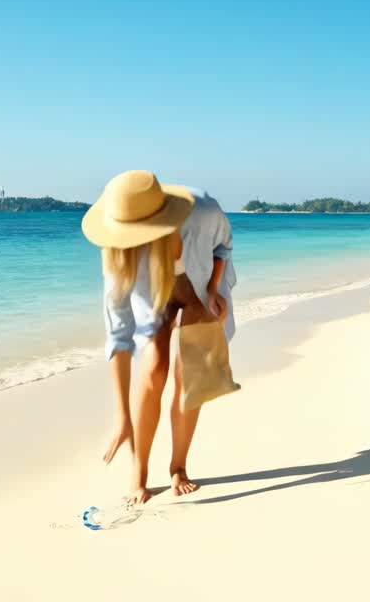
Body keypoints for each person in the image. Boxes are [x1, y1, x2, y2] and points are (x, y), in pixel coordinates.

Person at [82, 170, 237, 502]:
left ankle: (178, 468)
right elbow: (118, 335)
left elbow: (224, 246)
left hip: (199, 291)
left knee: (190, 372)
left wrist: (212, 290)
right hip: (156, 295)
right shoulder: (118, 252)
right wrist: (123, 416)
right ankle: (138, 477)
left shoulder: (205, 210)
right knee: (153, 370)